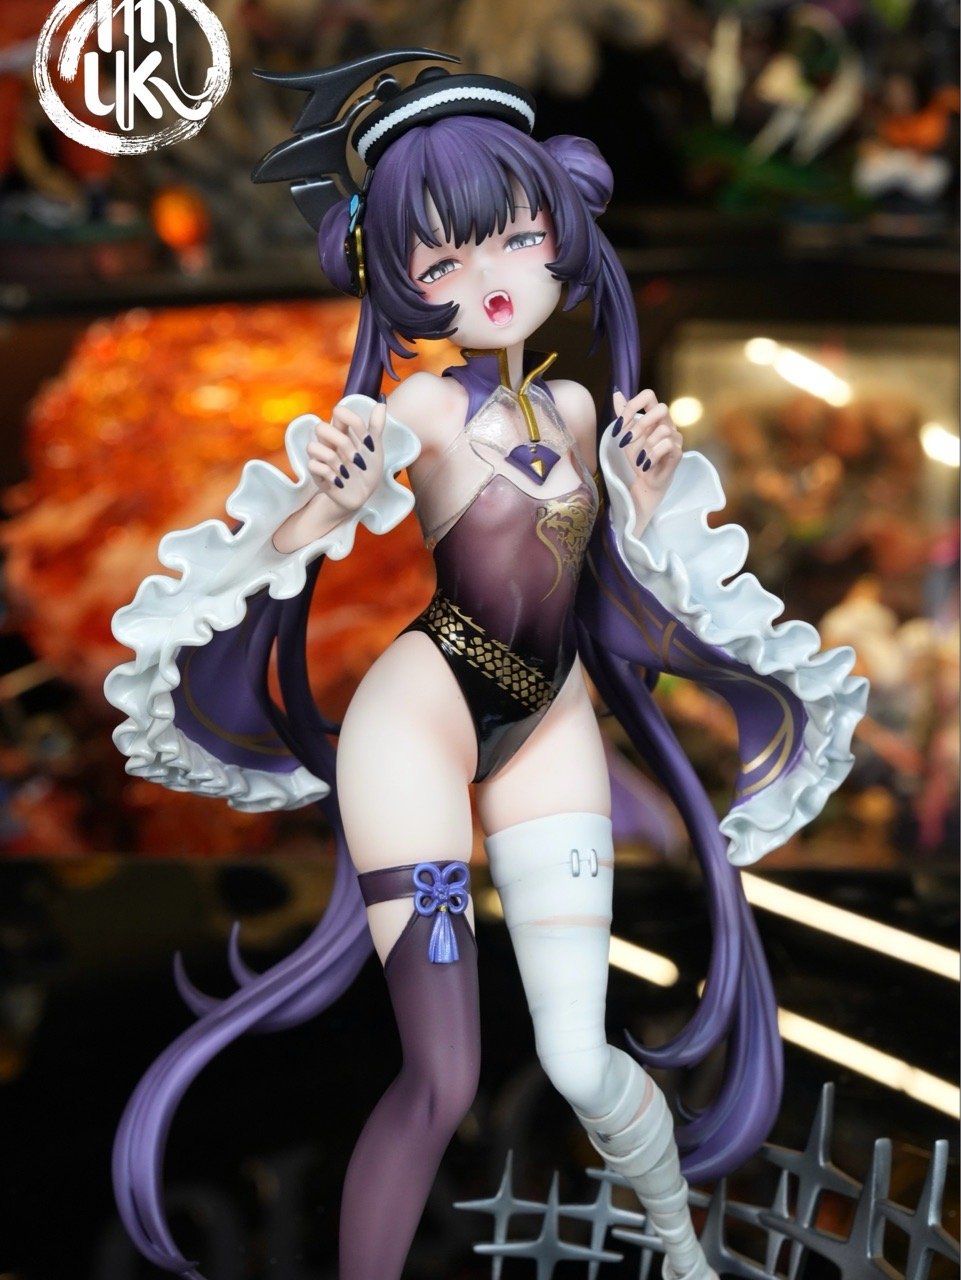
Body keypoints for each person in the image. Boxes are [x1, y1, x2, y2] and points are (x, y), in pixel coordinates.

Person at [104, 50, 869, 1280]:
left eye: (516, 238)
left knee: (579, 1056)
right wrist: (324, 501)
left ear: (563, 227)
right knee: (443, 1071)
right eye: (445, 262)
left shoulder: (577, 414)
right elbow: (294, 537)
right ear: (392, 276)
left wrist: (649, 495)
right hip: (418, 722)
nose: (492, 279)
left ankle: (682, 1252)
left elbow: (625, 581)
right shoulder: (416, 412)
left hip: (547, 718)